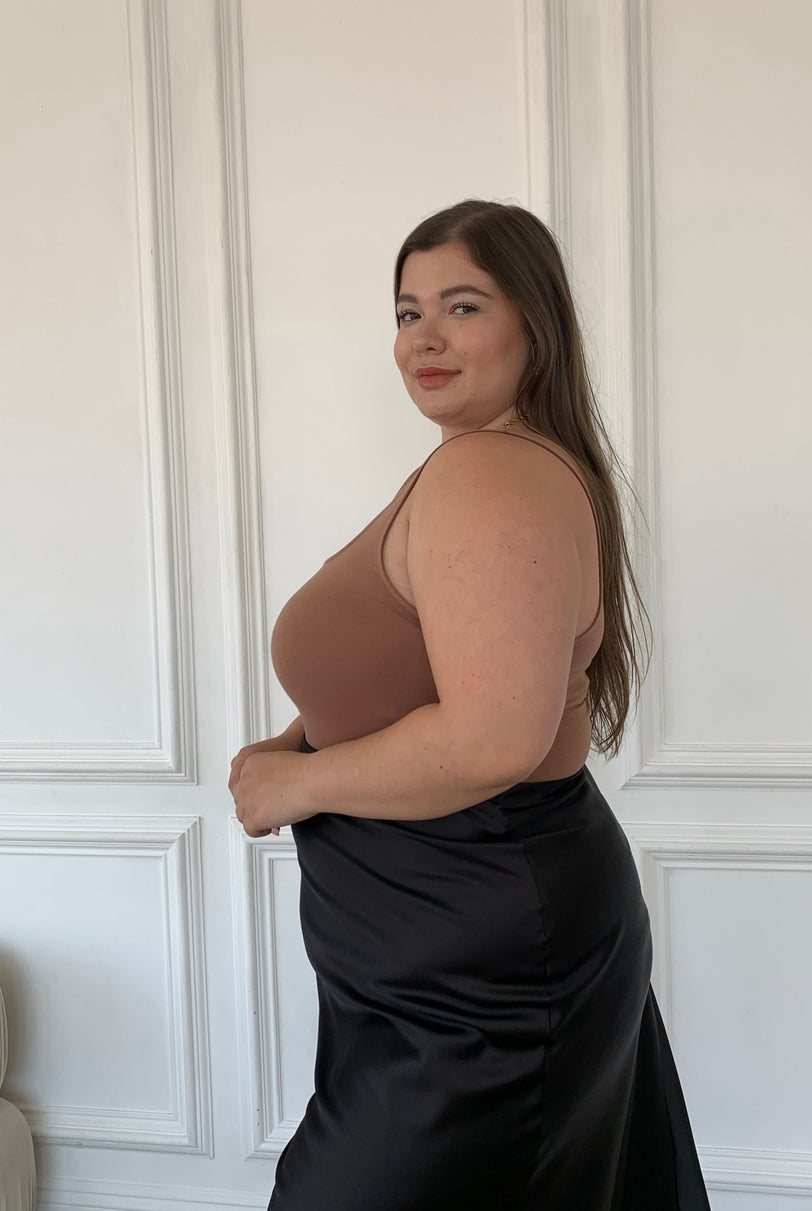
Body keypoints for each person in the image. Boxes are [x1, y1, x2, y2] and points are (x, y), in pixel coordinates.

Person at [230, 200, 710, 1210]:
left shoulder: (487, 474)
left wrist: (297, 782)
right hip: (456, 937)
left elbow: (492, 735)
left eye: (462, 305)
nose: (424, 339)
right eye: (408, 313)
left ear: (535, 321)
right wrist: (301, 738)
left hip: (478, 954)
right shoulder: (493, 464)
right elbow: (424, 672)